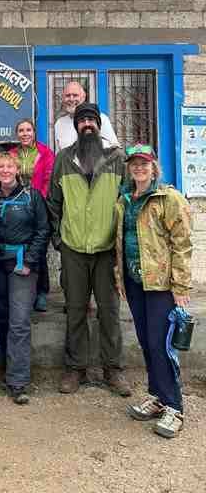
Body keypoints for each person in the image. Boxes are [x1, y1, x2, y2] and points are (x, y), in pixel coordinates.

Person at [47, 102, 131, 397]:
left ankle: (113, 369)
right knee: (76, 310)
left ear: (99, 125)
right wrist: (59, 240)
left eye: (91, 120)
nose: (86, 125)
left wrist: (123, 244)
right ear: (76, 127)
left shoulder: (117, 159)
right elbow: (53, 204)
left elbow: (129, 201)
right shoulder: (63, 160)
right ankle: (75, 369)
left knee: (109, 311)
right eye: (81, 120)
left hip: (107, 249)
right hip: (73, 249)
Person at [114, 144, 192, 438]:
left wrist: (181, 285)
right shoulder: (124, 200)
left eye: (144, 163)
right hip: (136, 282)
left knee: (162, 344)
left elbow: (182, 244)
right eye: (134, 163)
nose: (139, 168)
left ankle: (175, 406)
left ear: (153, 167)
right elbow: (121, 242)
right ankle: (158, 397)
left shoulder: (168, 198)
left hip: (161, 284)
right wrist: (120, 278)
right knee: (147, 341)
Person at [0, 152, 49, 405]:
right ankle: (5, 370)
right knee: (2, 318)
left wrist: (31, 261)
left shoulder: (32, 197)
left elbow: (43, 229)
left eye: (9, 166)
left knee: (20, 321)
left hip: (22, 265)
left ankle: (18, 381)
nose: (5, 170)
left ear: (17, 169)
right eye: (0, 166)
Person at [9, 119, 55, 312]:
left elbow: (49, 177)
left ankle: (42, 291)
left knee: (40, 247)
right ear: (17, 134)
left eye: (28, 130)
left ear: (34, 132)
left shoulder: (45, 152)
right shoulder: (12, 154)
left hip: (39, 203)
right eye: (21, 130)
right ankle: (26, 291)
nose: (25, 133)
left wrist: (38, 200)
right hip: (18, 204)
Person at [54, 81, 119, 152]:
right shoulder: (59, 123)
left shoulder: (100, 118)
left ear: (83, 97)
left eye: (75, 95)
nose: (71, 99)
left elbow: (114, 148)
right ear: (63, 98)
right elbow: (59, 154)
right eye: (68, 96)